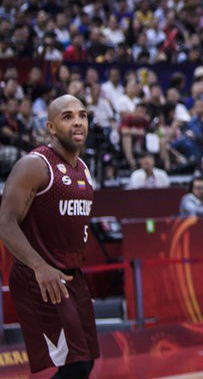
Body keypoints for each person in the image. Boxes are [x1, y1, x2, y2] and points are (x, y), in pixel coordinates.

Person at [0, 95, 99, 377]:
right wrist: (39, 266)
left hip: (70, 275)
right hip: (40, 276)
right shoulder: (35, 165)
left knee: (85, 361)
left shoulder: (84, 169)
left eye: (82, 115)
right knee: (76, 365)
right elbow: (5, 222)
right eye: (67, 117)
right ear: (51, 127)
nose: (78, 121)